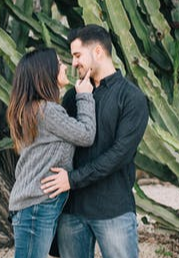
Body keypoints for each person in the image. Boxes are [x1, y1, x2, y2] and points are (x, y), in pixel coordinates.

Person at [40, 25, 149, 258]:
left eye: (77, 55)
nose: (74, 63)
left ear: (98, 51)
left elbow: (119, 154)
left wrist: (72, 179)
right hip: (72, 211)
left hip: (113, 210)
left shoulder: (132, 98)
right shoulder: (72, 97)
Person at [7, 48, 96, 258]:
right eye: (58, 63)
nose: (65, 66)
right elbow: (86, 135)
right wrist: (84, 97)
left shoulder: (33, 110)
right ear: (45, 73)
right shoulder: (47, 111)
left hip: (32, 203)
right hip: (36, 205)